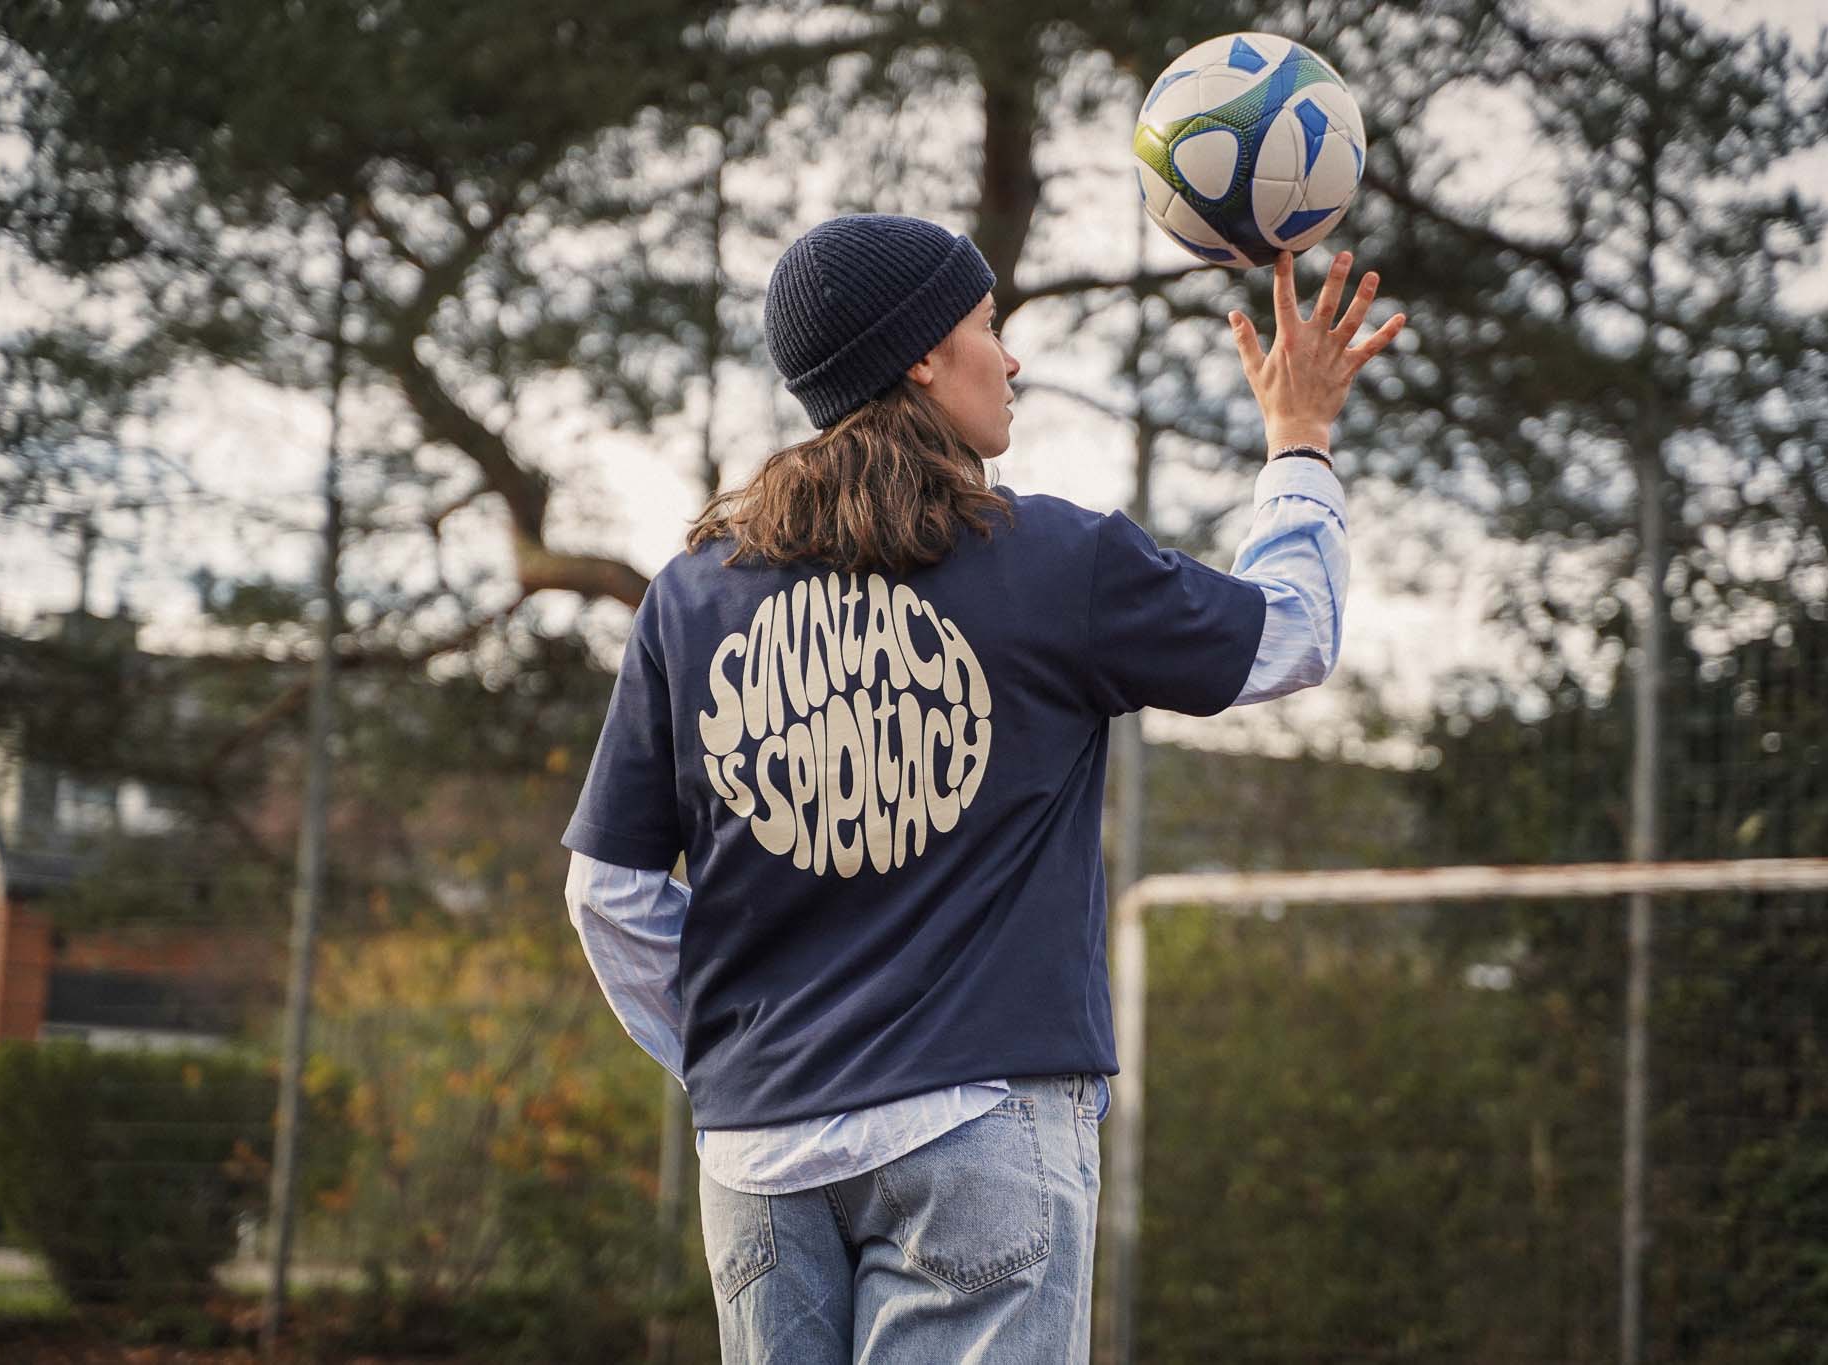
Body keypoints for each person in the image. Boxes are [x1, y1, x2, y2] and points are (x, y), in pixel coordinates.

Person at [561, 213, 1403, 1364]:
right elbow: (1290, 635)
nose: (1009, 360)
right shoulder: (1056, 563)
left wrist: (731, 1055)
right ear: (919, 356)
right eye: (986, 326)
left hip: (757, 1157)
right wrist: (1298, 441)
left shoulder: (691, 597)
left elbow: (607, 891)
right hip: (978, 1128)